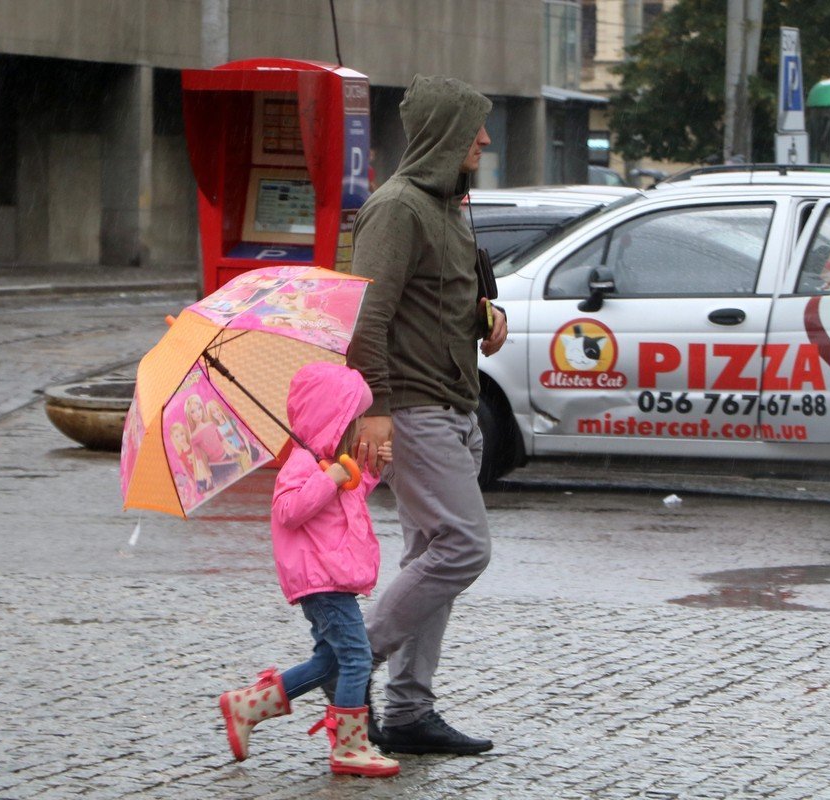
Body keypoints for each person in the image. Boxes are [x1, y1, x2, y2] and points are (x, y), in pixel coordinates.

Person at [345, 74, 508, 756]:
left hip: (457, 405)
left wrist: (485, 317)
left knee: (429, 554)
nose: (486, 139)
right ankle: (347, 669)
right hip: (413, 410)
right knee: (463, 547)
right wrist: (376, 410)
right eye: (475, 126)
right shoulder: (398, 209)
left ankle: (409, 713)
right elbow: (366, 317)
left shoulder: (448, 208)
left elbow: (438, 303)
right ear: (446, 130)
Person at [217, 362, 399, 778]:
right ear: (331, 419)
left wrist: (372, 470)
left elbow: (348, 497)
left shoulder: (329, 460)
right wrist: (330, 477)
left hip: (334, 577)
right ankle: (350, 746)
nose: (358, 428)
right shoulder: (302, 463)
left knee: (331, 661)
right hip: (321, 582)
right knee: (356, 657)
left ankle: (248, 707)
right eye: (352, 419)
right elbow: (289, 510)